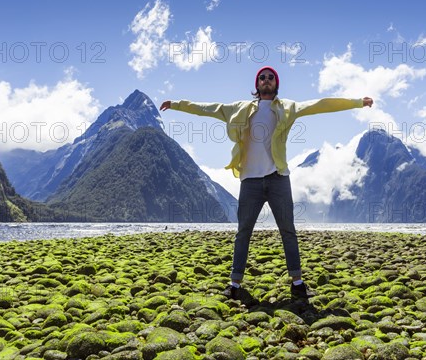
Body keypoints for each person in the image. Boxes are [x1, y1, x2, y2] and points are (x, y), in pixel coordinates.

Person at [160, 66, 373, 300]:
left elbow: (320, 104)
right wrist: (177, 104)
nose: (266, 80)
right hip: (250, 180)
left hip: (278, 178)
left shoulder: (287, 108)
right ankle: (235, 284)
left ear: (276, 83)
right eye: (262, 77)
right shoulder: (238, 109)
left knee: (288, 231)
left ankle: (298, 283)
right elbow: (207, 109)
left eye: (271, 77)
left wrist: (356, 102)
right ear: (257, 84)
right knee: (243, 232)